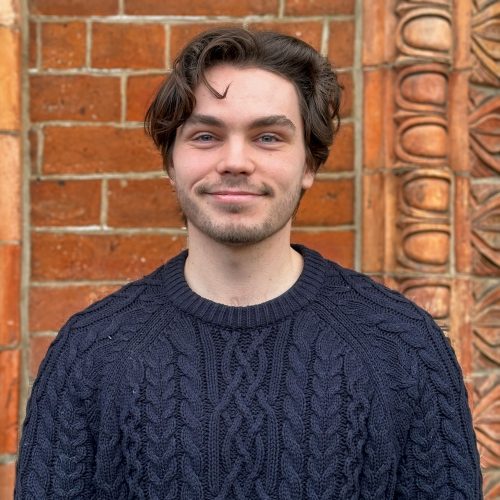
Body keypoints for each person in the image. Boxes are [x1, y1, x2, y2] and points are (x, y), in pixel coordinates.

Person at [16, 28, 482, 499]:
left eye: (268, 137)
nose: (235, 161)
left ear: (309, 164)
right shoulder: (90, 353)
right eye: (206, 136)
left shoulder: (403, 346)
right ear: (171, 164)